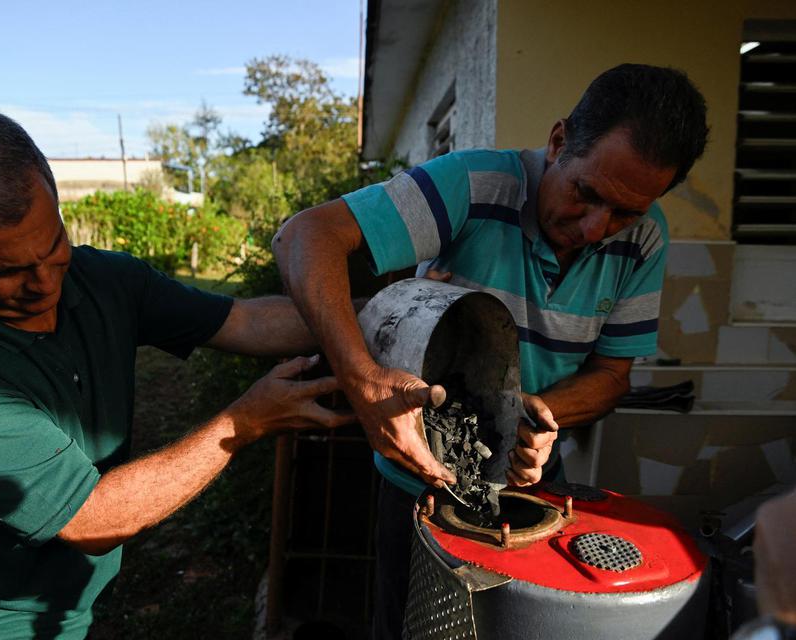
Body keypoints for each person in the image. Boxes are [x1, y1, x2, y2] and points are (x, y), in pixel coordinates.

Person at [0, 106, 352, 639]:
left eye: (53, 246)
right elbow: (91, 519)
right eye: (5, 270)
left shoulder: (103, 279)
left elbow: (245, 321)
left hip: (62, 609)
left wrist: (378, 316)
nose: (44, 283)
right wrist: (244, 421)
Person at [272, 63, 709, 638]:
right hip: (418, 484)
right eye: (587, 194)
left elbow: (611, 375)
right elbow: (305, 236)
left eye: (625, 212)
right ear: (558, 142)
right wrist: (362, 381)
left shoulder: (646, 237)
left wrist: (534, 416)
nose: (596, 229)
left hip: (535, 481)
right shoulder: (474, 184)